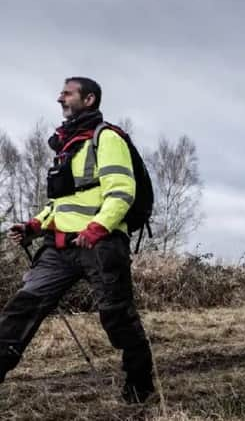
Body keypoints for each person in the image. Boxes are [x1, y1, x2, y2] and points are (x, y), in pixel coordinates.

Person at [0, 77, 154, 403]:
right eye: (61, 93)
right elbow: (61, 204)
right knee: (23, 306)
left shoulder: (107, 138)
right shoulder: (68, 146)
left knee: (117, 316)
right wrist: (33, 226)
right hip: (59, 248)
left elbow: (121, 192)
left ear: (89, 99)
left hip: (102, 244)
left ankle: (140, 387)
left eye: (67, 93)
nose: (60, 98)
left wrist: (97, 228)